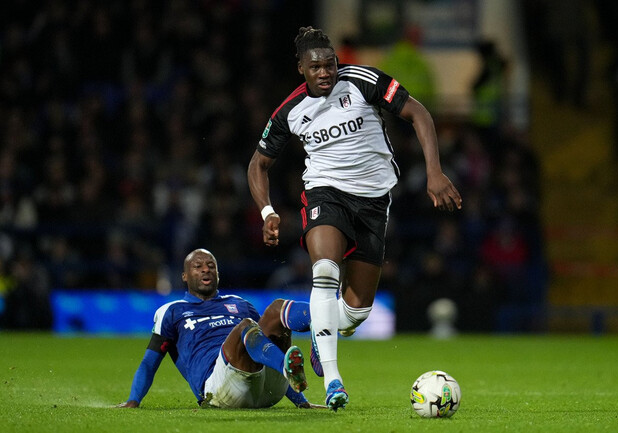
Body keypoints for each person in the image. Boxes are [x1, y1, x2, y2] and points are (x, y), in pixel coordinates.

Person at [247, 26, 462, 410]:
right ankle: (333, 381)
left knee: (352, 315)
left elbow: (419, 113)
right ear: (302, 68)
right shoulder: (289, 111)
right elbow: (258, 165)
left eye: (331, 64)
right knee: (325, 272)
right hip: (325, 194)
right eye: (317, 67)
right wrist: (267, 211)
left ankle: (291, 315)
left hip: (375, 202)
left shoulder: (363, 80)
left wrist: (434, 171)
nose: (327, 72)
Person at [117, 248, 325, 409]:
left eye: (211, 265)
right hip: (219, 389)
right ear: (184, 276)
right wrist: (133, 400)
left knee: (277, 309)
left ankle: (319, 321)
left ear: (218, 273)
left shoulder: (240, 304)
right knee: (246, 327)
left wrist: (302, 402)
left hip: (267, 389)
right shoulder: (172, 311)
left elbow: (266, 347)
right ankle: (286, 366)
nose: (206, 269)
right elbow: (149, 363)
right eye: (198, 266)